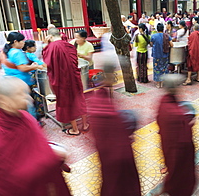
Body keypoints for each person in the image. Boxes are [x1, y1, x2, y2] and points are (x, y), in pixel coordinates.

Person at [0, 77, 71, 196]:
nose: (29, 98)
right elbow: (8, 184)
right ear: (3, 101)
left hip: (48, 186)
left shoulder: (26, 117)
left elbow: (37, 146)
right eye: (21, 94)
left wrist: (51, 150)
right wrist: (52, 158)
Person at [89, 63, 141, 196]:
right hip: (116, 157)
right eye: (114, 74)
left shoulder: (101, 97)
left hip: (109, 155)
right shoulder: (100, 103)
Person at [43, 28, 88, 135]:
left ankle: (75, 129)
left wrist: (46, 44)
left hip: (61, 80)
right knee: (79, 99)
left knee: (66, 102)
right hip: (75, 78)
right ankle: (85, 124)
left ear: (50, 36)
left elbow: (47, 63)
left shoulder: (51, 47)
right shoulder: (70, 45)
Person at [157, 74, 196, 196]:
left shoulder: (163, 102)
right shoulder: (177, 114)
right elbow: (185, 142)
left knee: (171, 166)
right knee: (179, 176)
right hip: (177, 153)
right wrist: (189, 123)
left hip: (166, 144)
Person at [1, 32, 43, 121]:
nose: (24, 43)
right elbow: (22, 68)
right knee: (28, 104)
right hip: (21, 82)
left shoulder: (6, 51)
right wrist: (34, 66)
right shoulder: (17, 52)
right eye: (22, 41)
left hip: (11, 81)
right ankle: (33, 124)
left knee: (19, 105)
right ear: (16, 41)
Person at [150, 23, 173, 88]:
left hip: (156, 55)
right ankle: (162, 83)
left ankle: (158, 84)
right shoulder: (167, 36)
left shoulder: (153, 36)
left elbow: (151, 44)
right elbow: (171, 45)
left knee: (157, 69)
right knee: (164, 69)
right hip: (164, 55)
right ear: (163, 29)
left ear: (157, 29)